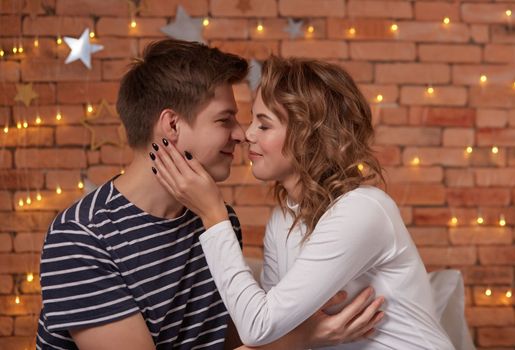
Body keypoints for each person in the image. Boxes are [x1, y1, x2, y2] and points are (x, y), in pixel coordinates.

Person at [36, 40, 384, 350]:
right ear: (171, 126)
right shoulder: (81, 239)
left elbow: (233, 339)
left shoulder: (214, 220)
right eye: (224, 120)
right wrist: (299, 338)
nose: (241, 135)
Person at [151, 56, 456, 349]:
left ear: (308, 137)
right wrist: (305, 335)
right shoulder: (283, 219)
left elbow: (257, 326)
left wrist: (213, 215)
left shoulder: (362, 210)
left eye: (265, 125)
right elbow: (270, 334)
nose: (247, 135)